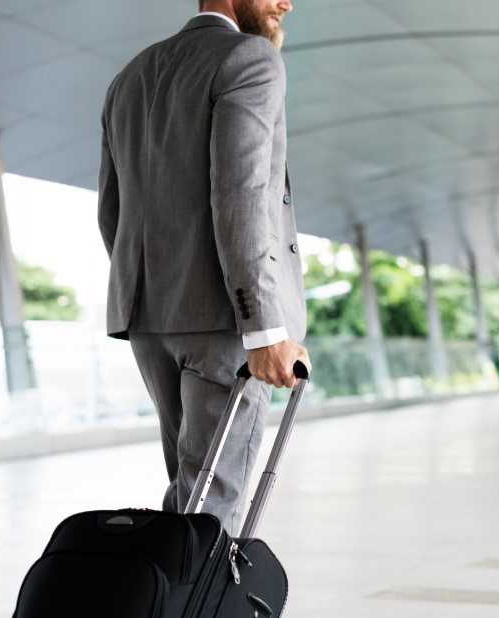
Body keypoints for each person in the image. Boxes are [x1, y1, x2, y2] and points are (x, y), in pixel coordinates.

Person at [98, 0, 310, 535]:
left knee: (188, 496)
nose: (287, 3)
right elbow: (241, 194)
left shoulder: (129, 77)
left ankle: (173, 583)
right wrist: (265, 327)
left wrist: (153, 290)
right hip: (225, 322)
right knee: (215, 508)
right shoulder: (250, 57)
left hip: (149, 320)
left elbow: (112, 212)